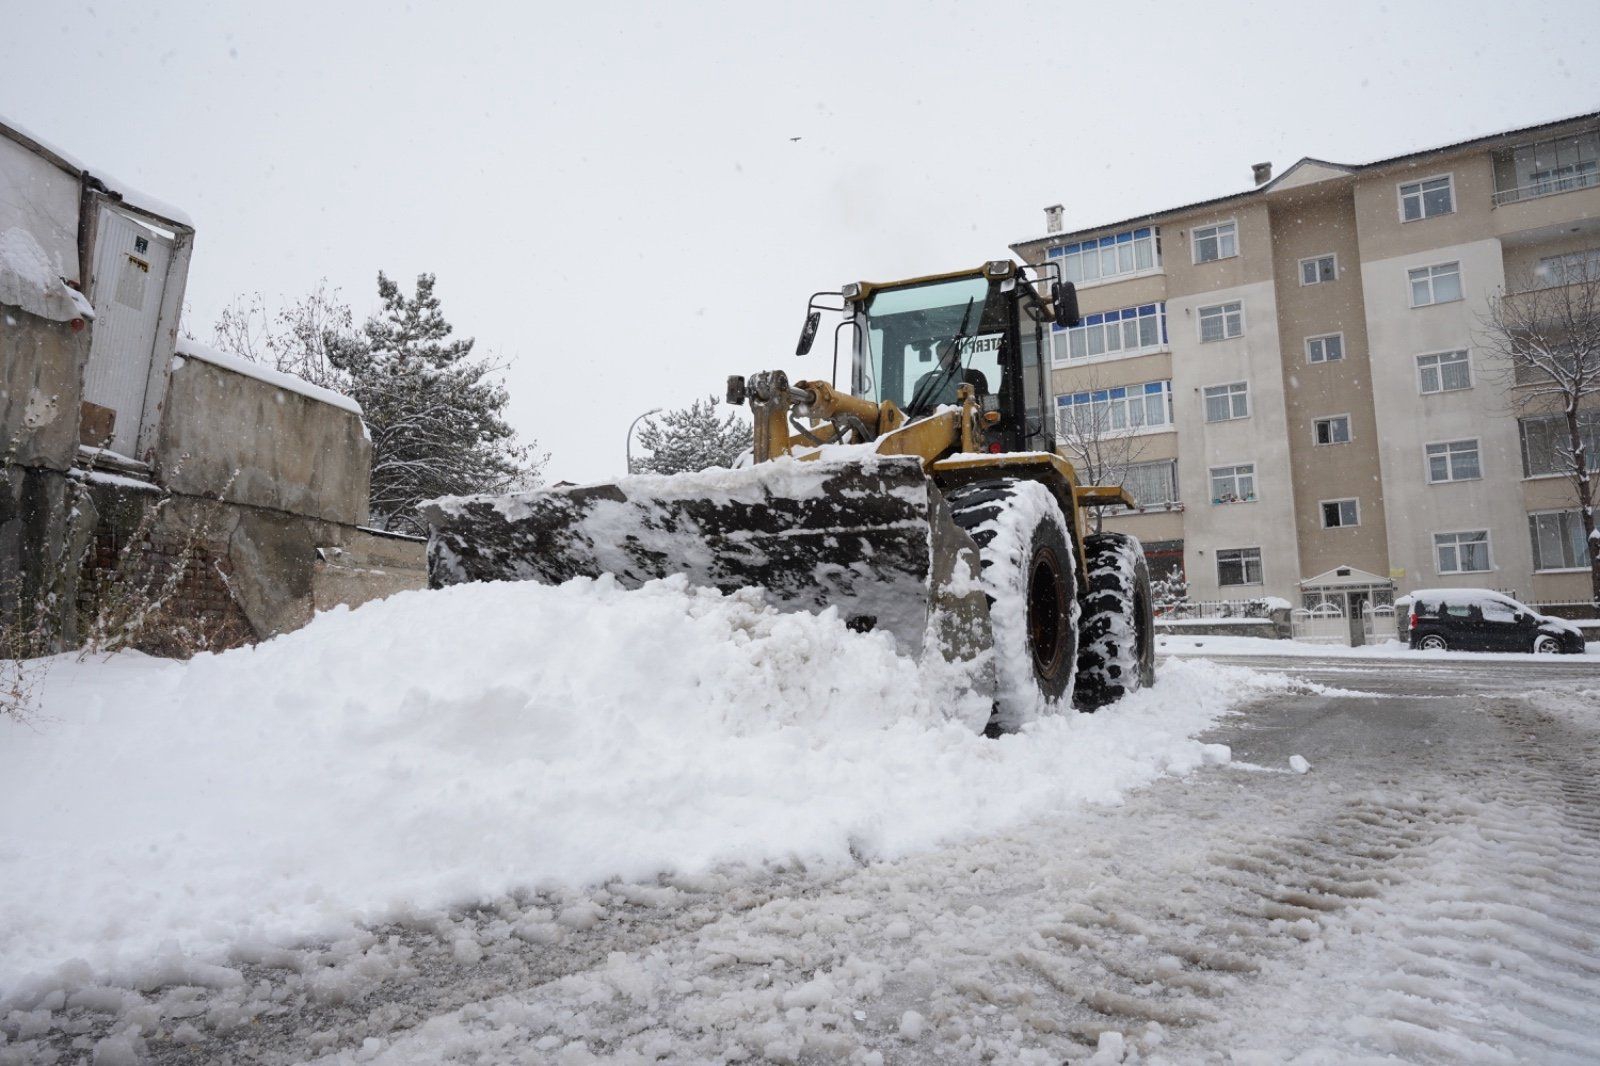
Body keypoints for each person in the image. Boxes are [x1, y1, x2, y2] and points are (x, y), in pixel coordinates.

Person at [909, 341, 989, 412]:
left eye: (948, 354)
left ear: (958, 356)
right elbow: (920, 412)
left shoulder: (974, 376)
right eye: (941, 356)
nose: (945, 359)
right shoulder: (931, 383)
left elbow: (985, 408)